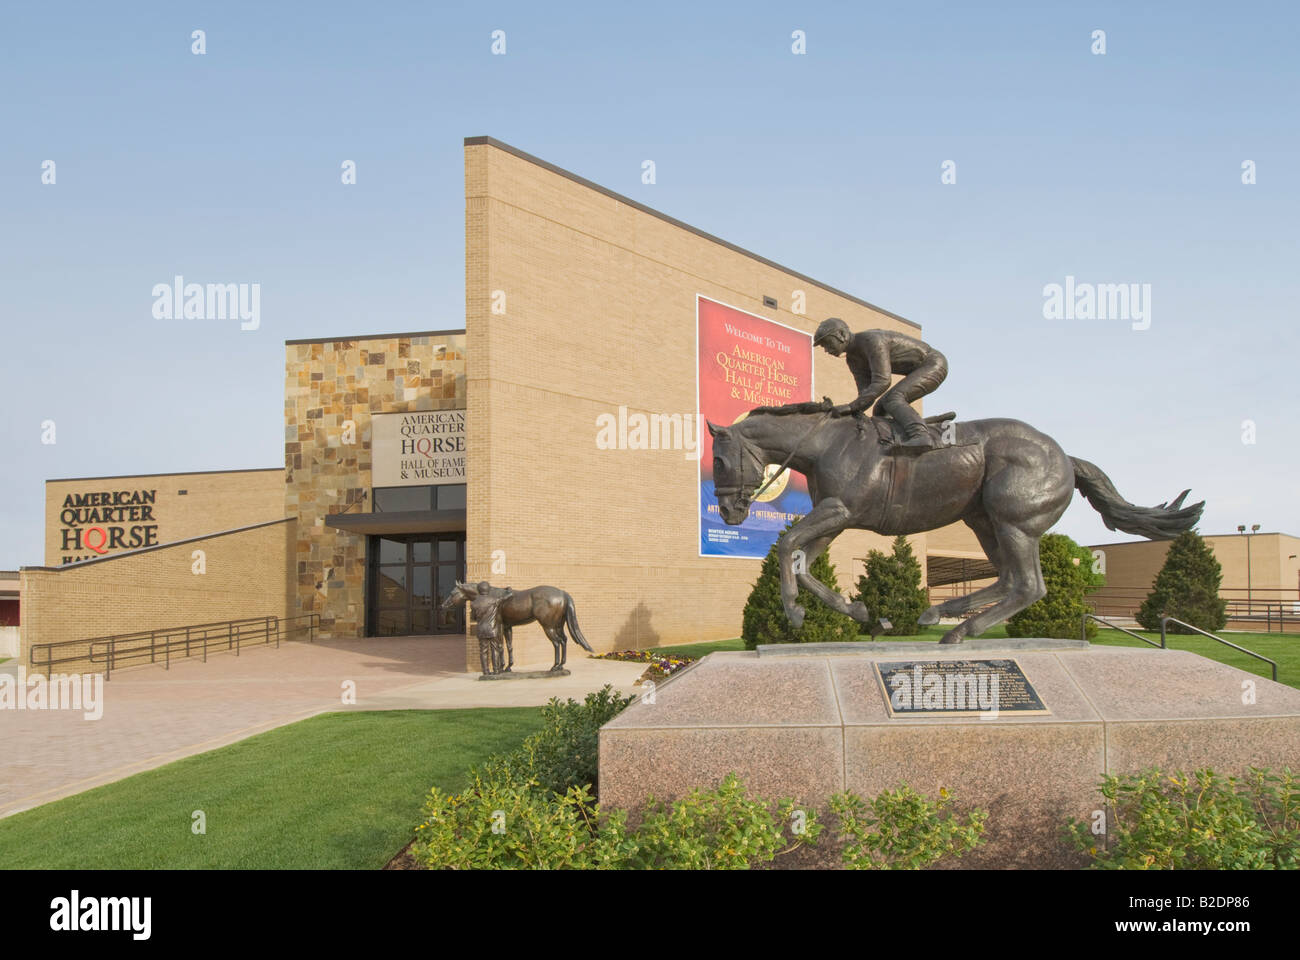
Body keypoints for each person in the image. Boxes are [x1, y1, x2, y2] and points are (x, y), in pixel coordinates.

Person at [812, 318, 948, 448]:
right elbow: (865, 394)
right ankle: (901, 433)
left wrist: (850, 407)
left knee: (893, 399)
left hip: (933, 364)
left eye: (827, 343)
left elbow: (882, 381)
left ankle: (921, 435)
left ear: (841, 334)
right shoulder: (852, 360)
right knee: (880, 409)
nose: (826, 350)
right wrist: (853, 412)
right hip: (918, 369)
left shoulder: (871, 340)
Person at [471, 581, 513, 674]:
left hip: (481, 630)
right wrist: (509, 590)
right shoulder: (494, 600)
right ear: (489, 589)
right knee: (495, 649)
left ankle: (485, 671)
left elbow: (473, 618)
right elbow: (507, 597)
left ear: (479, 590)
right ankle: (496, 670)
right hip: (492, 630)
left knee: (483, 651)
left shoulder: (474, 603)